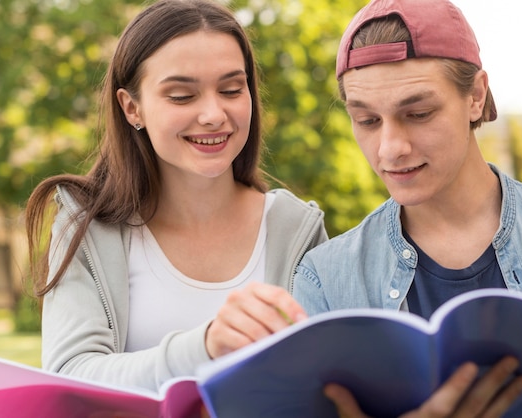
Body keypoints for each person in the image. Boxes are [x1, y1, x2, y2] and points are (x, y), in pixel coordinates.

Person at [292, 0, 522, 415]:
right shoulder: (324, 281)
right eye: (367, 121)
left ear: (476, 96)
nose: (390, 148)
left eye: (418, 113)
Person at [24, 0, 326, 397]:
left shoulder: (296, 228)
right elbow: (71, 376)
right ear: (132, 108)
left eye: (232, 89)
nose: (214, 114)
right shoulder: (86, 225)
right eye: (182, 96)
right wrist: (204, 347)